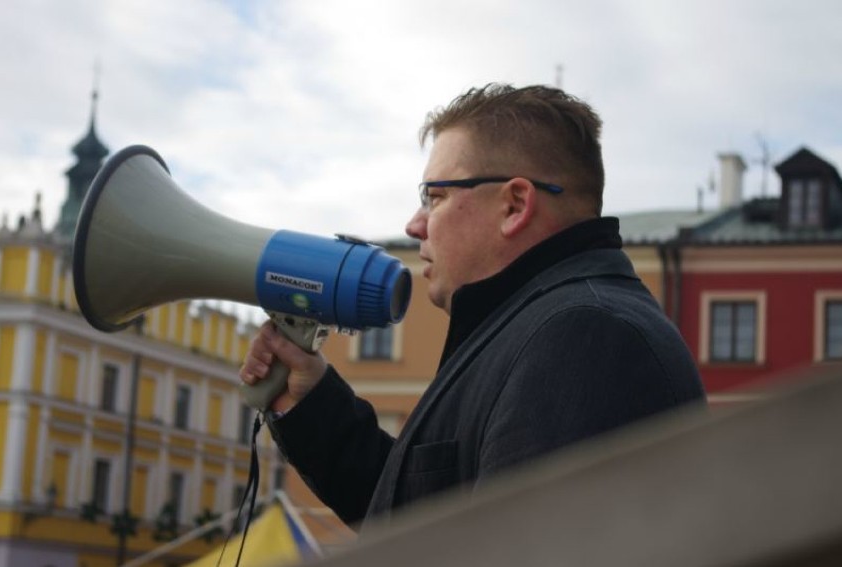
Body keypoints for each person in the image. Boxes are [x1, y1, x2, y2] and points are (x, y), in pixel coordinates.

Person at [239, 83, 705, 529]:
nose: (415, 224)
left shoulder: (587, 337)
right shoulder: (535, 327)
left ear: (514, 205)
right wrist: (312, 401)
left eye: (435, 196)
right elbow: (427, 525)